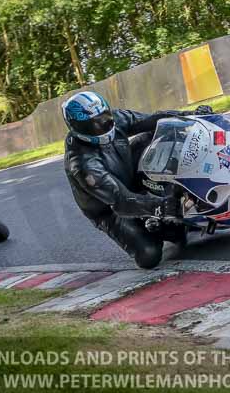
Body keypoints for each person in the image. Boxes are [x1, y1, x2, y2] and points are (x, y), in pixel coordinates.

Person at [62, 92, 212, 268]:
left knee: (159, 132)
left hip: (128, 171)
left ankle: (183, 188)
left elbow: (153, 119)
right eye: (92, 125)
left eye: (104, 118)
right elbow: (120, 200)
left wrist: (190, 115)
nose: (102, 126)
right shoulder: (81, 163)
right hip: (110, 209)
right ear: (76, 128)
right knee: (149, 255)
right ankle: (158, 226)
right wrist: (161, 206)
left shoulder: (115, 119)